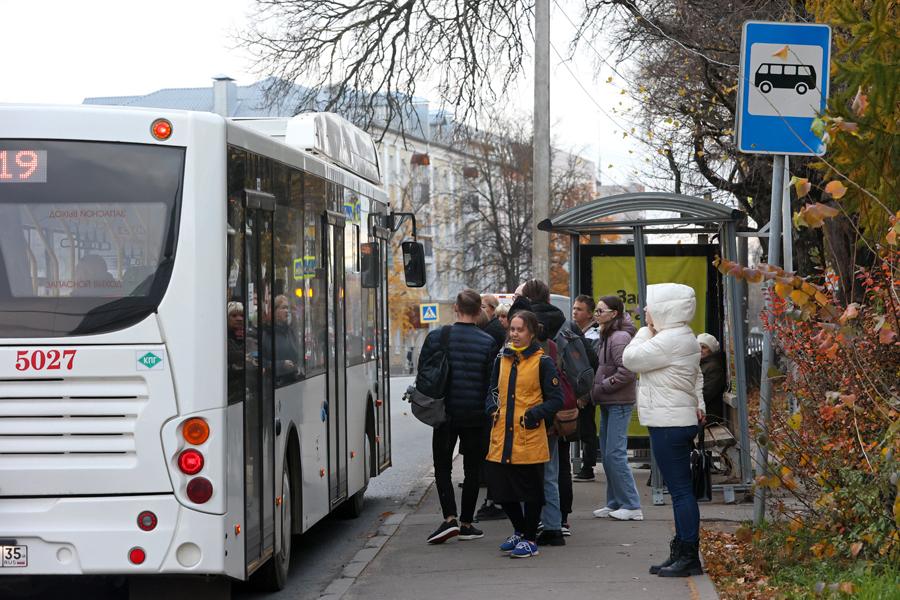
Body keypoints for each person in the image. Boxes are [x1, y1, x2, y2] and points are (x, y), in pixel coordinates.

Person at [623, 283, 706, 578]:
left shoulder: (669, 339)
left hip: (670, 424)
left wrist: (645, 331)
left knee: (681, 492)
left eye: (650, 305)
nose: (645, 311)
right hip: (671, 420)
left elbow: (630, 359)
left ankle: (688, 556)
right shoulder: (681, 337)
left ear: (665, 308)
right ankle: (682, 551)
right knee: (680, 491)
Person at [418, 289, 498, 545]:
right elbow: (491, 384)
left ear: (456, 308)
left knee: (442, 465)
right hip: (475, 415)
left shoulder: (438, 337)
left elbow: (424, 374)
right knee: (472, 469)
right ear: (479, 311)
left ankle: (449, 518)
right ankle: (466, 522)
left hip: (444, 412)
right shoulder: (488, 343)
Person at [485, 310, 563, 558]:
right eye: (512, 329)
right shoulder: (503, 358)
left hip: (528, 436)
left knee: (531, 492)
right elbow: (493, 390)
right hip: (502, 436)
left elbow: (556, 399)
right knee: (500, 490)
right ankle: (519, 530)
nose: (514, 334)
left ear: (531, 332)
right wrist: (491, 407)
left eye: (520, 330)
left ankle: (530, 539)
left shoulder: (543, 362)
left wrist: (534, 414)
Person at [515, 280, 567, 546]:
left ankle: (531, 527)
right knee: (550, 473)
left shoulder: (524, 354)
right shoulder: (559, 333)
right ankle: (554, 526)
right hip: (551, 416)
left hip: (529, 417)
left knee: (527, 475)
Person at [590, 295, 642, 521]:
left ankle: (632, 505)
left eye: (600, 311)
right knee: (609, 455)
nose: (596, 314)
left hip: (618, 401)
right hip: (609, 401)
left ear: (614, 314)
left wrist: (603, 386)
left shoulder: (619, 337)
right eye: (596, 310)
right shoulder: (608, 334)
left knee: (615, 455)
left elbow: (628, 371)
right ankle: (614, 502)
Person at [571, 294, 600, 482]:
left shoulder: (593, 337)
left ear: (590, 315)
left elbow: (593, 368)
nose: (574, 312)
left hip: (586, 392)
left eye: (579, 309)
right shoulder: (576, 332)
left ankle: (588, 465)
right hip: (577, 389)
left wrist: (585, 395)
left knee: (587, 428)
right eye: (574, 308)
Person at [697, 333, 727, 421]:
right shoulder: (703, 364)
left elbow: (706, 393)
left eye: (704, 347)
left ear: (711, 350)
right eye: (698, 347)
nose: (700, 350)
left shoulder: (714, 367)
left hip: (709, 414)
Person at [273, 295, 300, 379]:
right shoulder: (268, 332)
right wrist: (281, 365)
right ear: (275, 310)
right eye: (284, 308)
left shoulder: (289, 331)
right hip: (277, 382)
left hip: (292, 379)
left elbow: (297, 354)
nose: (287, 311)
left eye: (287, 308)